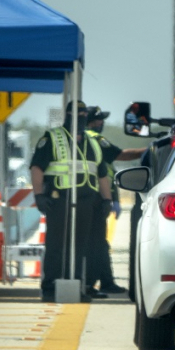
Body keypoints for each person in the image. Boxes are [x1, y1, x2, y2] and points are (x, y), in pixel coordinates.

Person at [29, 100, 112, 302]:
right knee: (57, 245)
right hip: (59, 200)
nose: (81, 117)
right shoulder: (52, 138)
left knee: (81, 247)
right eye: (77, 113)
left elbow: (102, 174)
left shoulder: (93, 143)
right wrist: (39, 195)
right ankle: (50, 288)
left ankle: (77, 287)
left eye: (84, 113)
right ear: (67, 115)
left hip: (86, 202)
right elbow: (37, 167)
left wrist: (107, 199)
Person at [85, 106, 146, 295]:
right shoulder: (94, 138)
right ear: (91, 121)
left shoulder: (83, 138)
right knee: (96, 243)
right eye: (99, 119)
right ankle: (93, 282)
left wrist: (113, 198)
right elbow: (122, 155)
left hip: (96, 197)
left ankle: (105, 281)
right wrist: (151, 149)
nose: (102, 123)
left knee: (98, 243)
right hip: (95, 198)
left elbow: (108, 172)